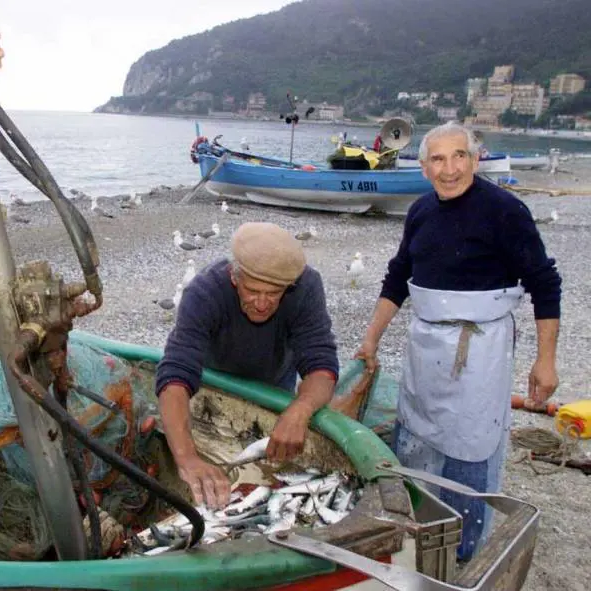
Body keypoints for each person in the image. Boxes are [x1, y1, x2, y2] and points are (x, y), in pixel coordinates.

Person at [355, 121, 561, 561]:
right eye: (438, 159)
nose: (450, 169)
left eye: (459, 156)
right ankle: (417, 533)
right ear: (424, 168)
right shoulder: (421, 212)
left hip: (481, 349)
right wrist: (371, 339)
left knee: (470, 450)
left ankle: (465, 550)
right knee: (415, 438)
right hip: (426, 345)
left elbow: (544, 283)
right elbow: (398, 278)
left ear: (476, 158)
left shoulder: (505, 211)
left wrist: (546, 361)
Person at [156, 222, 339, 509]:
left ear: (289, 286)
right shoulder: (204, 292)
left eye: (274, 293)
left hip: (275, 383)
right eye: (253, 291)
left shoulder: (306, 286)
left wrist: (300, 409)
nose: (263, 304)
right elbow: (176, 374)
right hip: (211, 383)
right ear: (233, 276)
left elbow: (321, 362)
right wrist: (188, 459)